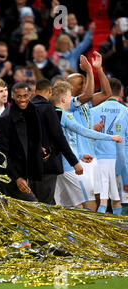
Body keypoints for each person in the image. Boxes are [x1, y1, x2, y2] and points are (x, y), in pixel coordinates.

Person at [50, 81, 123, 208]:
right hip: (69, 167)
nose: (71, 99)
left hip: (59, 165)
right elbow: (85, 131)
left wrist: (80, 155)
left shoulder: (52, 113)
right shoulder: (65, 115)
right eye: (69, 96)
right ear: (63, 99)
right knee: (90, 202)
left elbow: (62, 141)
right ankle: (91, 228)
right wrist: (111, 137)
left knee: (68, 207)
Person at [67, 52, 112, 210]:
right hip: (80, 161)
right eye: (81, 82)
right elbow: (87, 94)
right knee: (88, 204)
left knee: (99, 199)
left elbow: (107, 93)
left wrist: (98, 69)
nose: (85, 85)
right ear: (70, 87)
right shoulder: (71, 103)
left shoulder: (87, 103)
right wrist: (89, 71)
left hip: (93, 158)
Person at [29, 79, 82, 205]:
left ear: (35, 91)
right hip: (47, 164)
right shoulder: (48, 109)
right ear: (50, 91)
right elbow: (59, 137)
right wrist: (74, 162)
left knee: (35, 204)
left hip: (29, 164)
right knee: (46, 204)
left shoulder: (26, 108)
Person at [0, 82, 44, 201]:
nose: (22, 99)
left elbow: (34, 138)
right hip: (12, 175)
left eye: (25, 96)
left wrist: (41, 149)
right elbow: (2, 153)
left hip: (31, 171)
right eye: (19, 96)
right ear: (12, 96)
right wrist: (16, 177)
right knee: (35, 207)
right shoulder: (5, 118)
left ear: (30, 95)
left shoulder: (34, 111)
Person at [90, 78, 128, 214]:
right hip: (120, 161)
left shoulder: (93, 111)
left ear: (103, 91)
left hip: (98, 159)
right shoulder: (125, 111)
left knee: (102, 198)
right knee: (118, 199)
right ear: (121, 92)